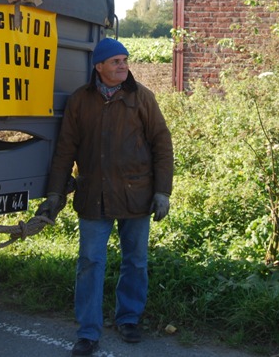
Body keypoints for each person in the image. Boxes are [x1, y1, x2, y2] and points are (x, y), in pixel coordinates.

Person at [38, 37, 174, 356]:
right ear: (98, 67)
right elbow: (64, 151)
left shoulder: (143, 98)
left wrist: (162, 192)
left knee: (136, 261)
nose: (123, 65)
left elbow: (162, 146)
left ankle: (128, 318)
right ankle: (88, 331)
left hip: (136, 195)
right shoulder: (79, 101)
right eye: (115, 61)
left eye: (125, 59)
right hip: (93, 196)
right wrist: (55, 193)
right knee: (89, 262)